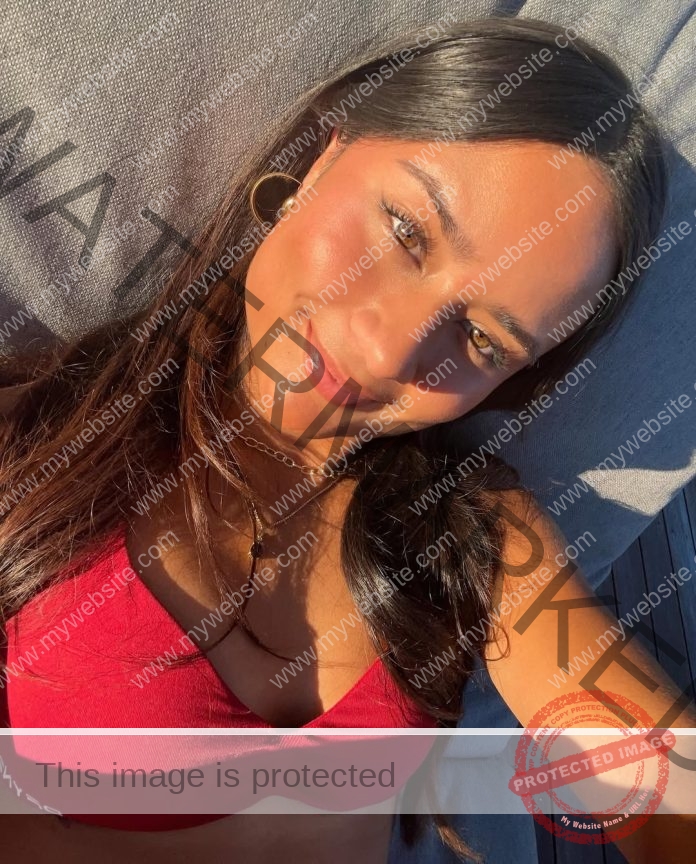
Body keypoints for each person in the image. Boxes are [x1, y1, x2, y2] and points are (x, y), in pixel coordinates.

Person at [0, 15, 693, 864]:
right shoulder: (43, 438)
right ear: (322, 157)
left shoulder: (475, 540)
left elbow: (655, 774)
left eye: (481, 341)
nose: (387, 350)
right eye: (405, 232)